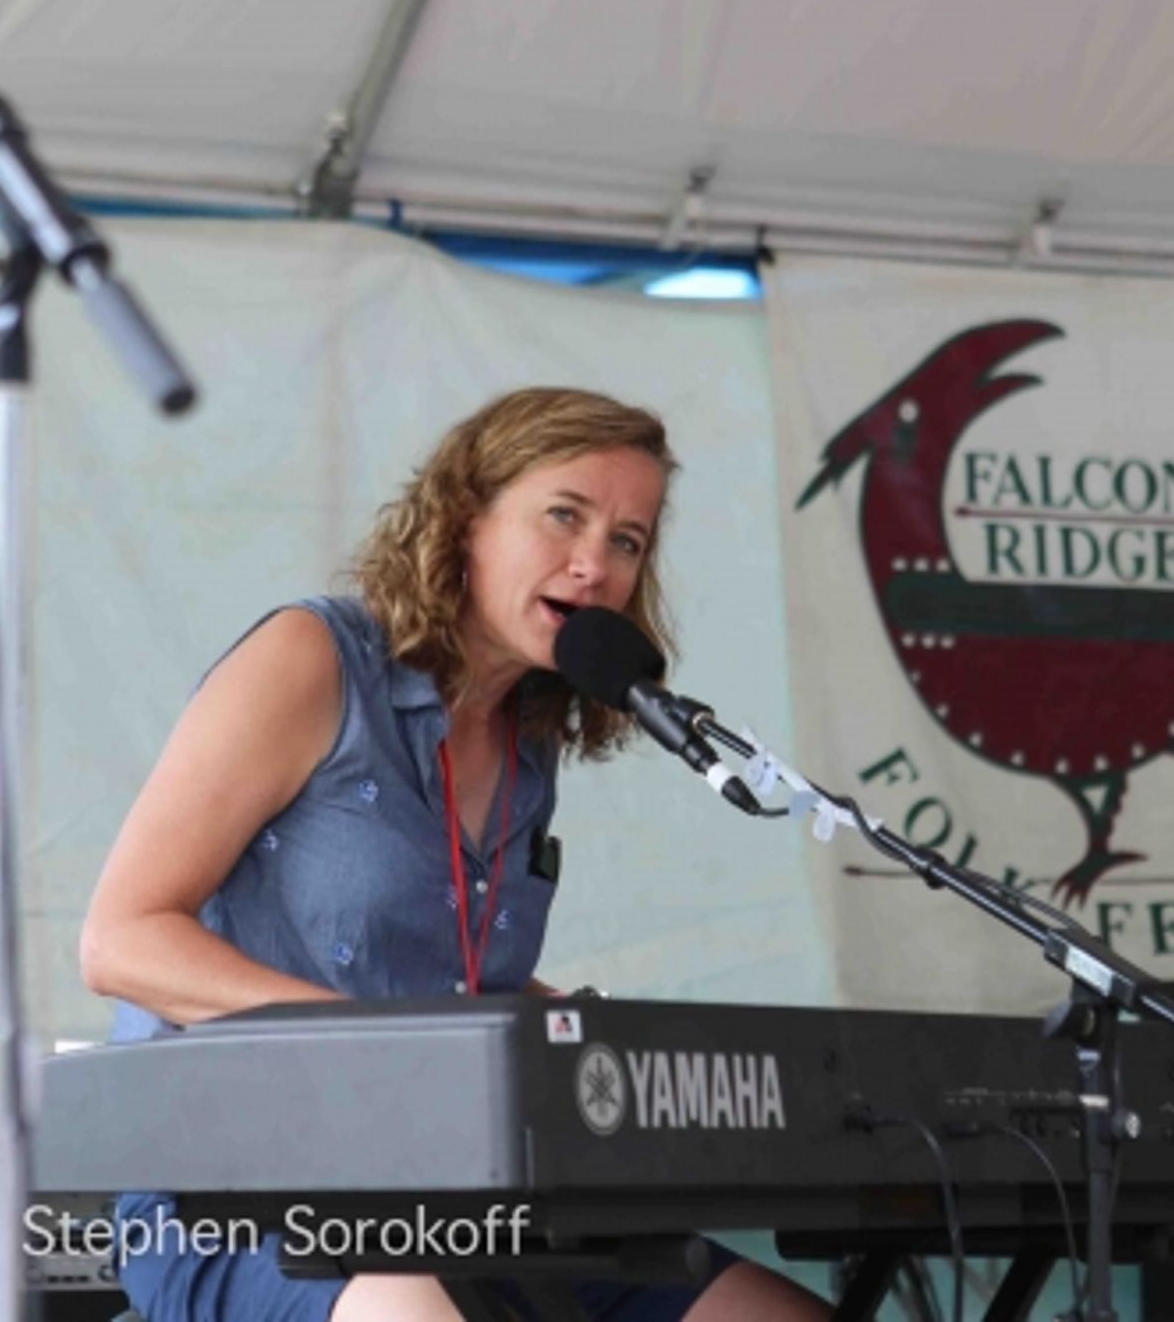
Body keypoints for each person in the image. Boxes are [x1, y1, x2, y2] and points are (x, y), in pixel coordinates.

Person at [81, 386, 830, 1322]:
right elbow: (121, 939)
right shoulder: (312, 657)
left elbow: (445, 982)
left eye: (629, 540)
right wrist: (384, 1044)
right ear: (465, 518)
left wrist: (567, 1032)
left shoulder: (529, 737)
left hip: (469, 1202)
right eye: (565, 515)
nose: (595, 564)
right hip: (230, 1193)